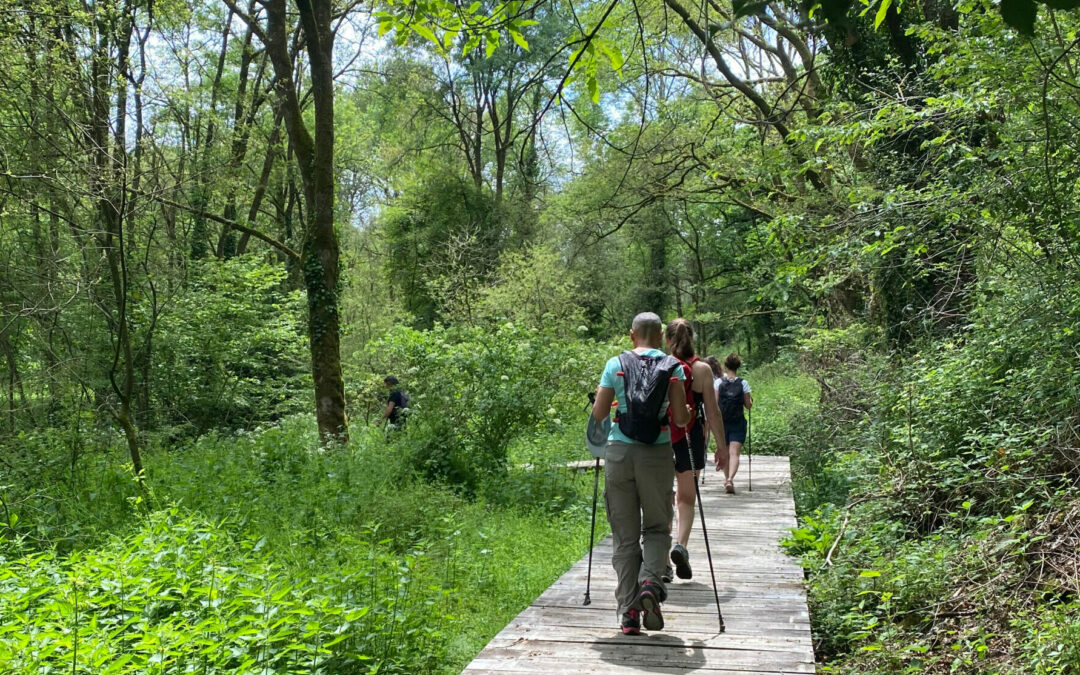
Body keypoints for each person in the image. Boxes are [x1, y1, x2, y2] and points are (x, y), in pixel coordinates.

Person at [592, 312, 690, 636]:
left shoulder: (614, 364)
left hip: (619, 454)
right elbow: (678, 420)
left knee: (625, 537)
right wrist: (689, 411)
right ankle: (650, 581)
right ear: (661, 335)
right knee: (658, 527)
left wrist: (602, 397)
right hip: (657, 455)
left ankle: (629, 613)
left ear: (631, 335)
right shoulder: (673, 367)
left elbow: (600, 413)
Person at [664, 319, 728, 582]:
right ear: (693, 339)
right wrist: (721, 448)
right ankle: (681, 545)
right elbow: (712, 412)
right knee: (686, 498)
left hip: (661, 438)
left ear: (667, 340)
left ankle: (661, 560)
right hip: (690, 439)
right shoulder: (702, 370)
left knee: (664, 496)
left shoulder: (661, 364)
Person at [710, 353, 752, 493]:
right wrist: (751, 400)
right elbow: (748, 405)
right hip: (738, 422)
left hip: (723, 423)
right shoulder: (743, 383)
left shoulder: (718, 383)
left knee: (725, 452)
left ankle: (726, 478)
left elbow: (714, 405)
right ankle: (730, 480)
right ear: (738, 366)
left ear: (725, 366)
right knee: (735, 453)